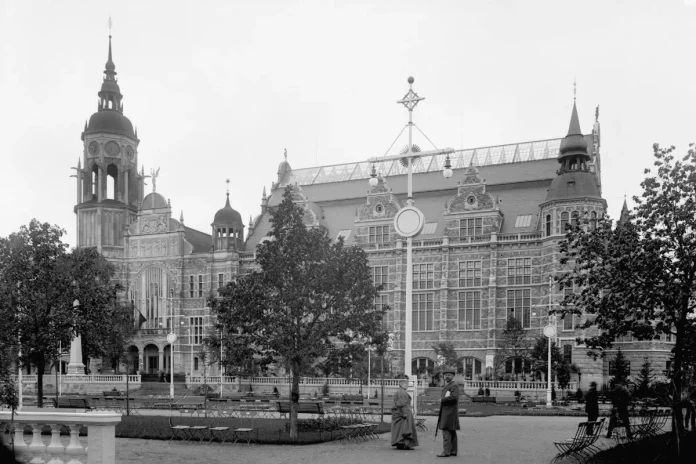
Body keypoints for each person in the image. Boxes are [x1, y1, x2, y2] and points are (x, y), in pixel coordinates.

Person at [436, 367, 460, 457]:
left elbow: (454, 397)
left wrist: (443, 400)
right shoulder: (448, 385)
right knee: (452, 432)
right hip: (448, 412)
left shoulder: (454, 385)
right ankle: (453, 451)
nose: (447, 377)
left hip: (449, 412)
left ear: (453, 376)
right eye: (445, 375)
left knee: (446, 431)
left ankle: (446, 452)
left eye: (449, 375)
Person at [391, 378, 418, 450]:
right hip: (403, 412)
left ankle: (401, 443)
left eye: (407, 384)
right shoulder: (401, 393)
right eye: (405, 384)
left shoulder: (401, 392)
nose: (407, 385)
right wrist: (404, 413)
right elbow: (401, 404)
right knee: (405, 429)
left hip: (403, 412)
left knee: (402, 429)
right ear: (400, 384)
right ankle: (404, 444)